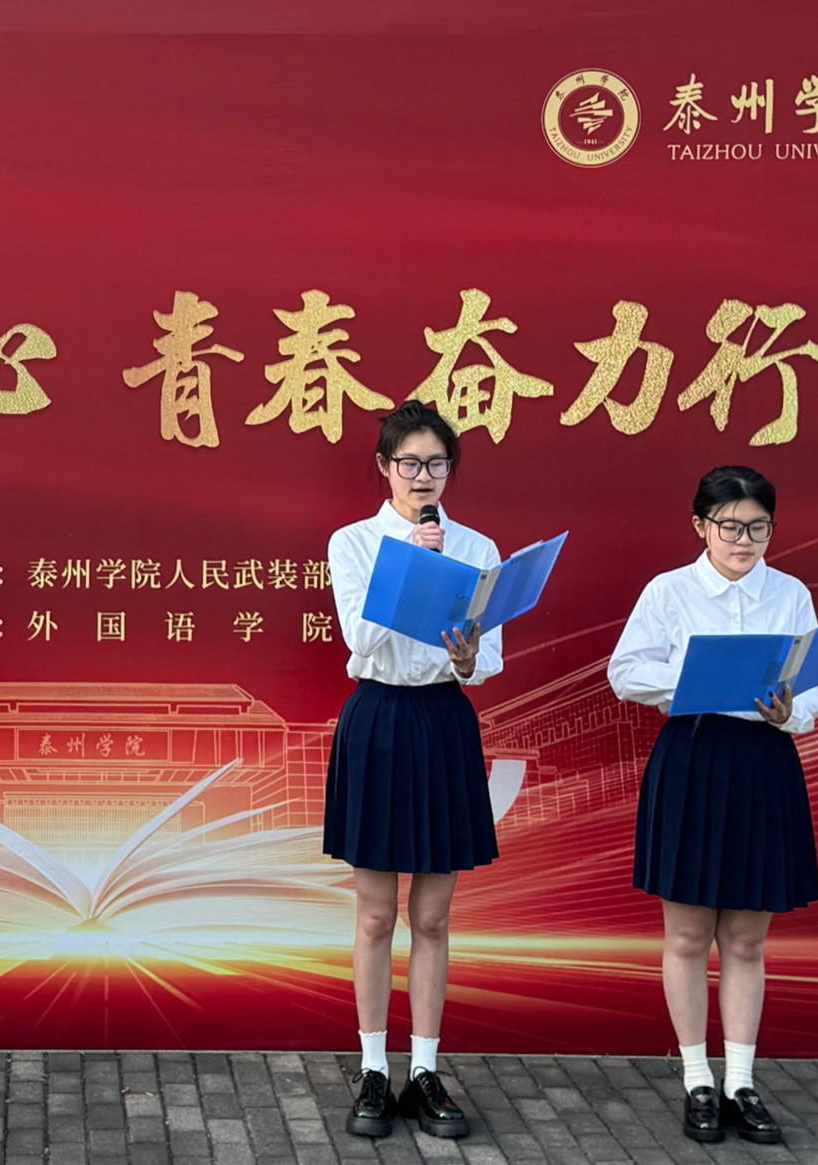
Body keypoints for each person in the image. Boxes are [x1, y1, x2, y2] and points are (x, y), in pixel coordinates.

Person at [608, 465, 818, 1147]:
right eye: (730, 526)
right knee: (686, 937)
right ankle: (698, 1078)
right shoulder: (669, 591)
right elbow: (624, 672)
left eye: (758, 527)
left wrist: (791, 710)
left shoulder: (790, 595)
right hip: (694, 759)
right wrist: (696, 677)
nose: (743, 540)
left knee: (748, 940)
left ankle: (741, 1082)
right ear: (700, 525)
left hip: (763, 763)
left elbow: (813, 694)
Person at [324, 400, 502, 1141]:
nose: (423, 476)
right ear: (385, 467)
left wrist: (468, 655)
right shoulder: (354, 543)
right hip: (378, 717)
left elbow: (487, 661)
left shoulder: (478, 547)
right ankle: (373, 1068)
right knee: (375, 915)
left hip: (442, 720)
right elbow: (360, 637)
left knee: (431, 916)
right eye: (410, 463)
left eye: (436, 463)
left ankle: (425, 1070)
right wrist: (416, 564)